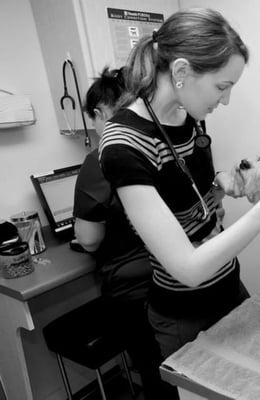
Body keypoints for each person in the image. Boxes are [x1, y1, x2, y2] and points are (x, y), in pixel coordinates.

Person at [99, 8, 260, 363]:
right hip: (184, 310)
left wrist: (221, 187)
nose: (225, 101)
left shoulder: (189, 115)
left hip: (230, 287)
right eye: (222, 87)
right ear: (181, 72)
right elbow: (188, 267)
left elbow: (196, 206)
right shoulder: (123, 145)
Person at [73, 67, 173, 400]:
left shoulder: (99, 159)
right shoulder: (159, 142)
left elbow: (89, 239)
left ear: (101, 113)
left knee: (155, 372)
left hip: (134, 290)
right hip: (171, 274)